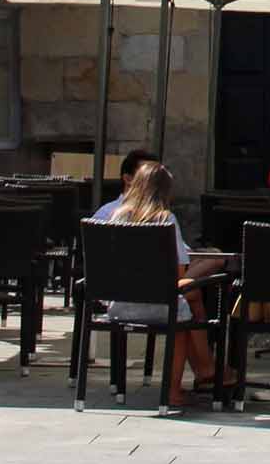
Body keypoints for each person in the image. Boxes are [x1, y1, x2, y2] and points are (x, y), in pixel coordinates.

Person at [105, 162, 231, 406]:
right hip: (159, 304)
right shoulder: (165, 219)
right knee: (183, 311)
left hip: (119, 304)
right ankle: (174, 389)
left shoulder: (116, 216)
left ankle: (205, 370)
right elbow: (178, 271)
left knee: (188, 300)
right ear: (166, 191)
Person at [94, 147, 158, 220]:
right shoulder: (105, 214)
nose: (154, 181)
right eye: (146, 175)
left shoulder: (164, 218)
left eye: (156, 176)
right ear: (128, 179)